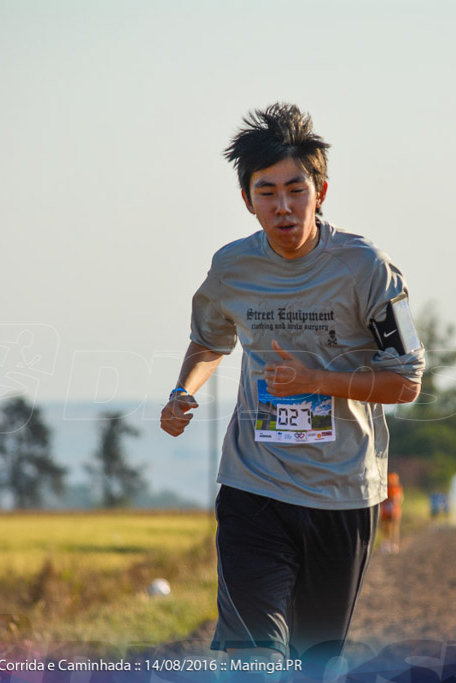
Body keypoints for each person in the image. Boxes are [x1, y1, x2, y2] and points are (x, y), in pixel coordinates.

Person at [159, 103, 425, 670]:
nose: (283, 207)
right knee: (254, 653)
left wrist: (317, 381)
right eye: (266, 192)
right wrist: (185, 390)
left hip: (342, 493)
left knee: (314, 664)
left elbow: (406, 383)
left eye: (295, 189)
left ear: (321, 190)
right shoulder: (231, 268)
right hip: (254, 485)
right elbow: (210, 341)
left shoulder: (367, 268)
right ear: (247, 200)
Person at [379, 472, 404, 554]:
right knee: (386, 529)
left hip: (395, 512)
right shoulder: (384, 489)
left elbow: (399, 499)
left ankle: (394, 545)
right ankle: (386, 544)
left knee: (394, 529)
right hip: (386, 512)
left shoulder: (397, 488)